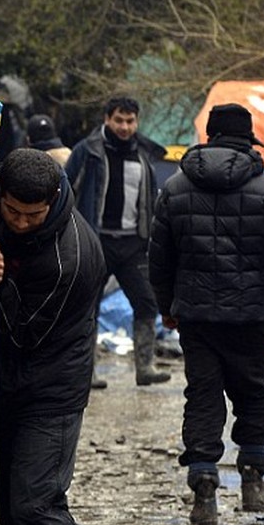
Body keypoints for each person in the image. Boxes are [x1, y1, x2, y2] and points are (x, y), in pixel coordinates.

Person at [0, 147, 126, 525]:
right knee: (14, 518)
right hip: (7, 385)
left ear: (55, 199)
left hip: (52, 389)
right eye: (11, 211)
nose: (18, 223)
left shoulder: (75, 256)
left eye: (30, 217)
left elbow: (25, 334)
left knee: (36, 506)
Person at [148, 103, 264, 525]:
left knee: (202, 396)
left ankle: (203, 490)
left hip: (196, 318)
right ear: (249, 141)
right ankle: (253, 485)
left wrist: (167, 307)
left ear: (208, 138)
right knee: (253, 395)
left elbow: (159, 259)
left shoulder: (175, 189)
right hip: (254, 317)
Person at [65, 96, 171, 388]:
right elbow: (65, 188)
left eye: (130, 121)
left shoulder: (145, 154)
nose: (125, 127)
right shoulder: (87, 151)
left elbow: (151, 200)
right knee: (88, 307)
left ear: (137, 122)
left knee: (147, 303)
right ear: (107, 120)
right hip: (96, 242)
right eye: (119, 120)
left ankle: (145, 367)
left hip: (133, 244)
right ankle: (87, 372)